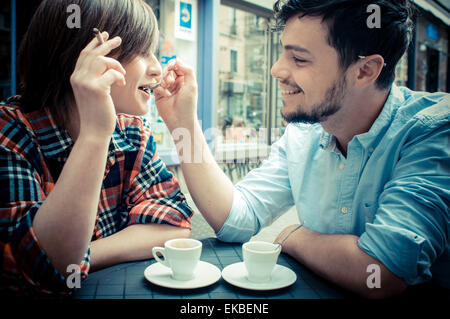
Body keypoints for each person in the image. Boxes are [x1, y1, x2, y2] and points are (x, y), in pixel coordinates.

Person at [155, 0, 449, 298]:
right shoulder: (304, 133)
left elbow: (382, 273)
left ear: (364, 71)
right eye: (283, 52)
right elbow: (235, 219)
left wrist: (293, 236)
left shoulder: (433, 129)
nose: (276, 69)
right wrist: (184, 126)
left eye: (299, 59)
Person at [0, 0, 193, 296]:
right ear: (90, 56)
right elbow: (51, 267)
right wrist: (94, 134)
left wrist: (84, 256)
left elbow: (173, 224)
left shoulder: (131, 130)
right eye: (142, 51)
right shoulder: (9, 131)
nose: (157, 68)